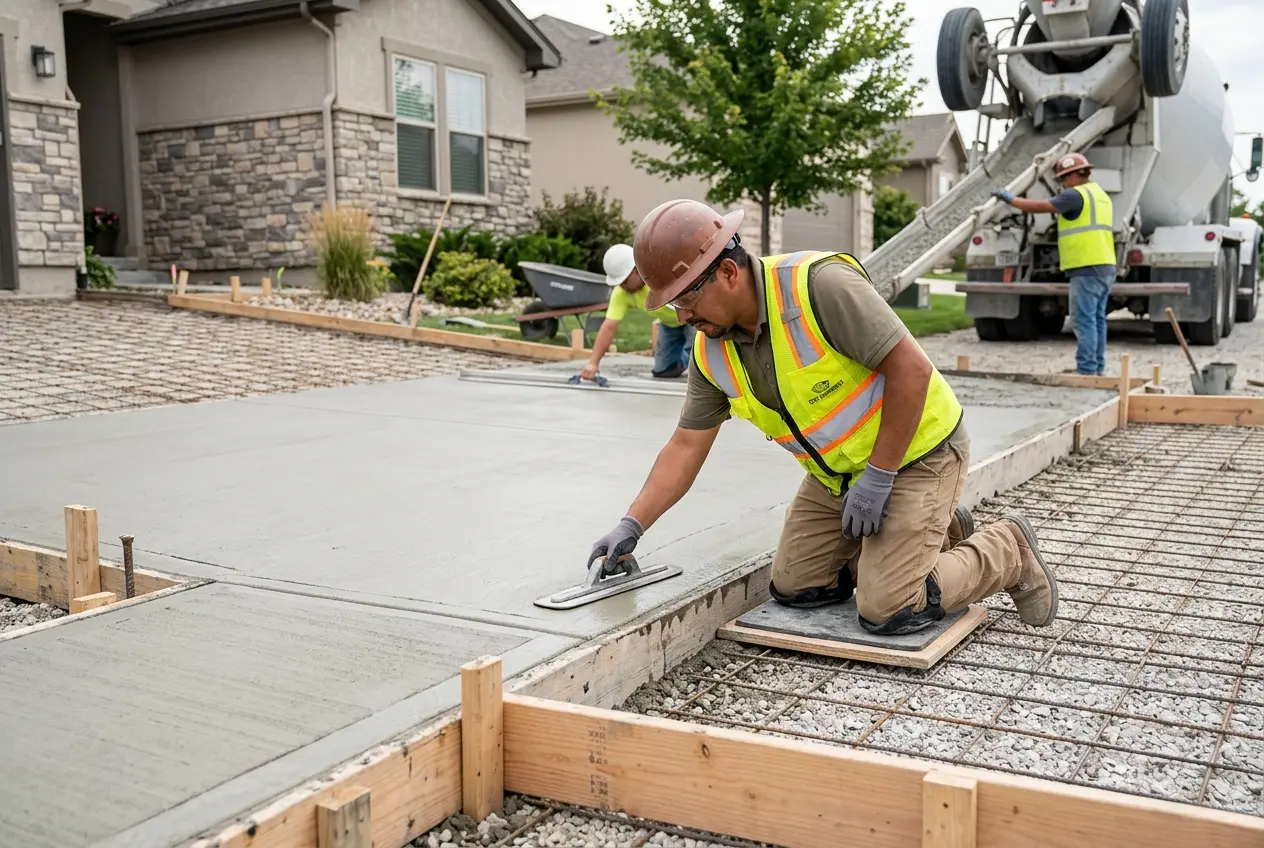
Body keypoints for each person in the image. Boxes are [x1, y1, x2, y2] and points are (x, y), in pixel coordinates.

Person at [587, 198, 1059, 637]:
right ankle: (933, 531)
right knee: (797, 586)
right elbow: (686, 446)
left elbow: (911, 371)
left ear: (728, 272)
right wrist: (632, 525)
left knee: (888, 607)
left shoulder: (818, 287)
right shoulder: (712, 350)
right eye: (672, 303)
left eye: (685, 298)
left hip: (920, 451)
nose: (682, 314)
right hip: (841, 475)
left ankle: (1007, 550)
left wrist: (878, 478)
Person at [992, 152, 1117, 375]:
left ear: (1074, 175)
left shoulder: (1075, 196)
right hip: (1105, 265)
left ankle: (1087, 370)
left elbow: (1041, 206)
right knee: (1097, 320)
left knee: (1083, 321)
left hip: (1087, 267)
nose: (1063, 184)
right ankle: (1096, 368)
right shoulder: (1100, 195)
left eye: (1063, 179)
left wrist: (1010, 199)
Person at [580, 243, 696, 381]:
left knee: (697, 356)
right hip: (670, 325)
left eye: (624, 281)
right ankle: (685, 356)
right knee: (663, 371)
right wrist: (593, 364)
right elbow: (608, 328)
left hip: (693, 317)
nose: (622, 286)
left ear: (637, 270)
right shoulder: (622, 293)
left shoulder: (659, 275)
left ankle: (695, 359)